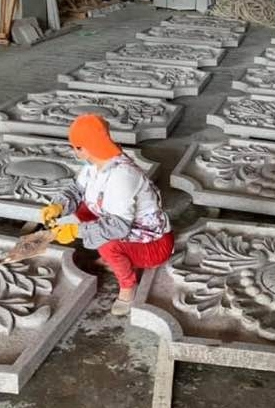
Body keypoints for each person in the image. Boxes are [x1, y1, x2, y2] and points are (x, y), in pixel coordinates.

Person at [33, 113, 174, 316]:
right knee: (83, 209)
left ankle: (128, 287)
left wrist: (76, 231)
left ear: (84, 148)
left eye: (75, 147)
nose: (74, 151)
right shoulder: (94, 165)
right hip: (127, 228)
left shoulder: (122, 176)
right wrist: (58, 206)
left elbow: (118, 227)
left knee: (107, 243)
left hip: (153, 245)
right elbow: (76, 189)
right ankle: (116, 259)